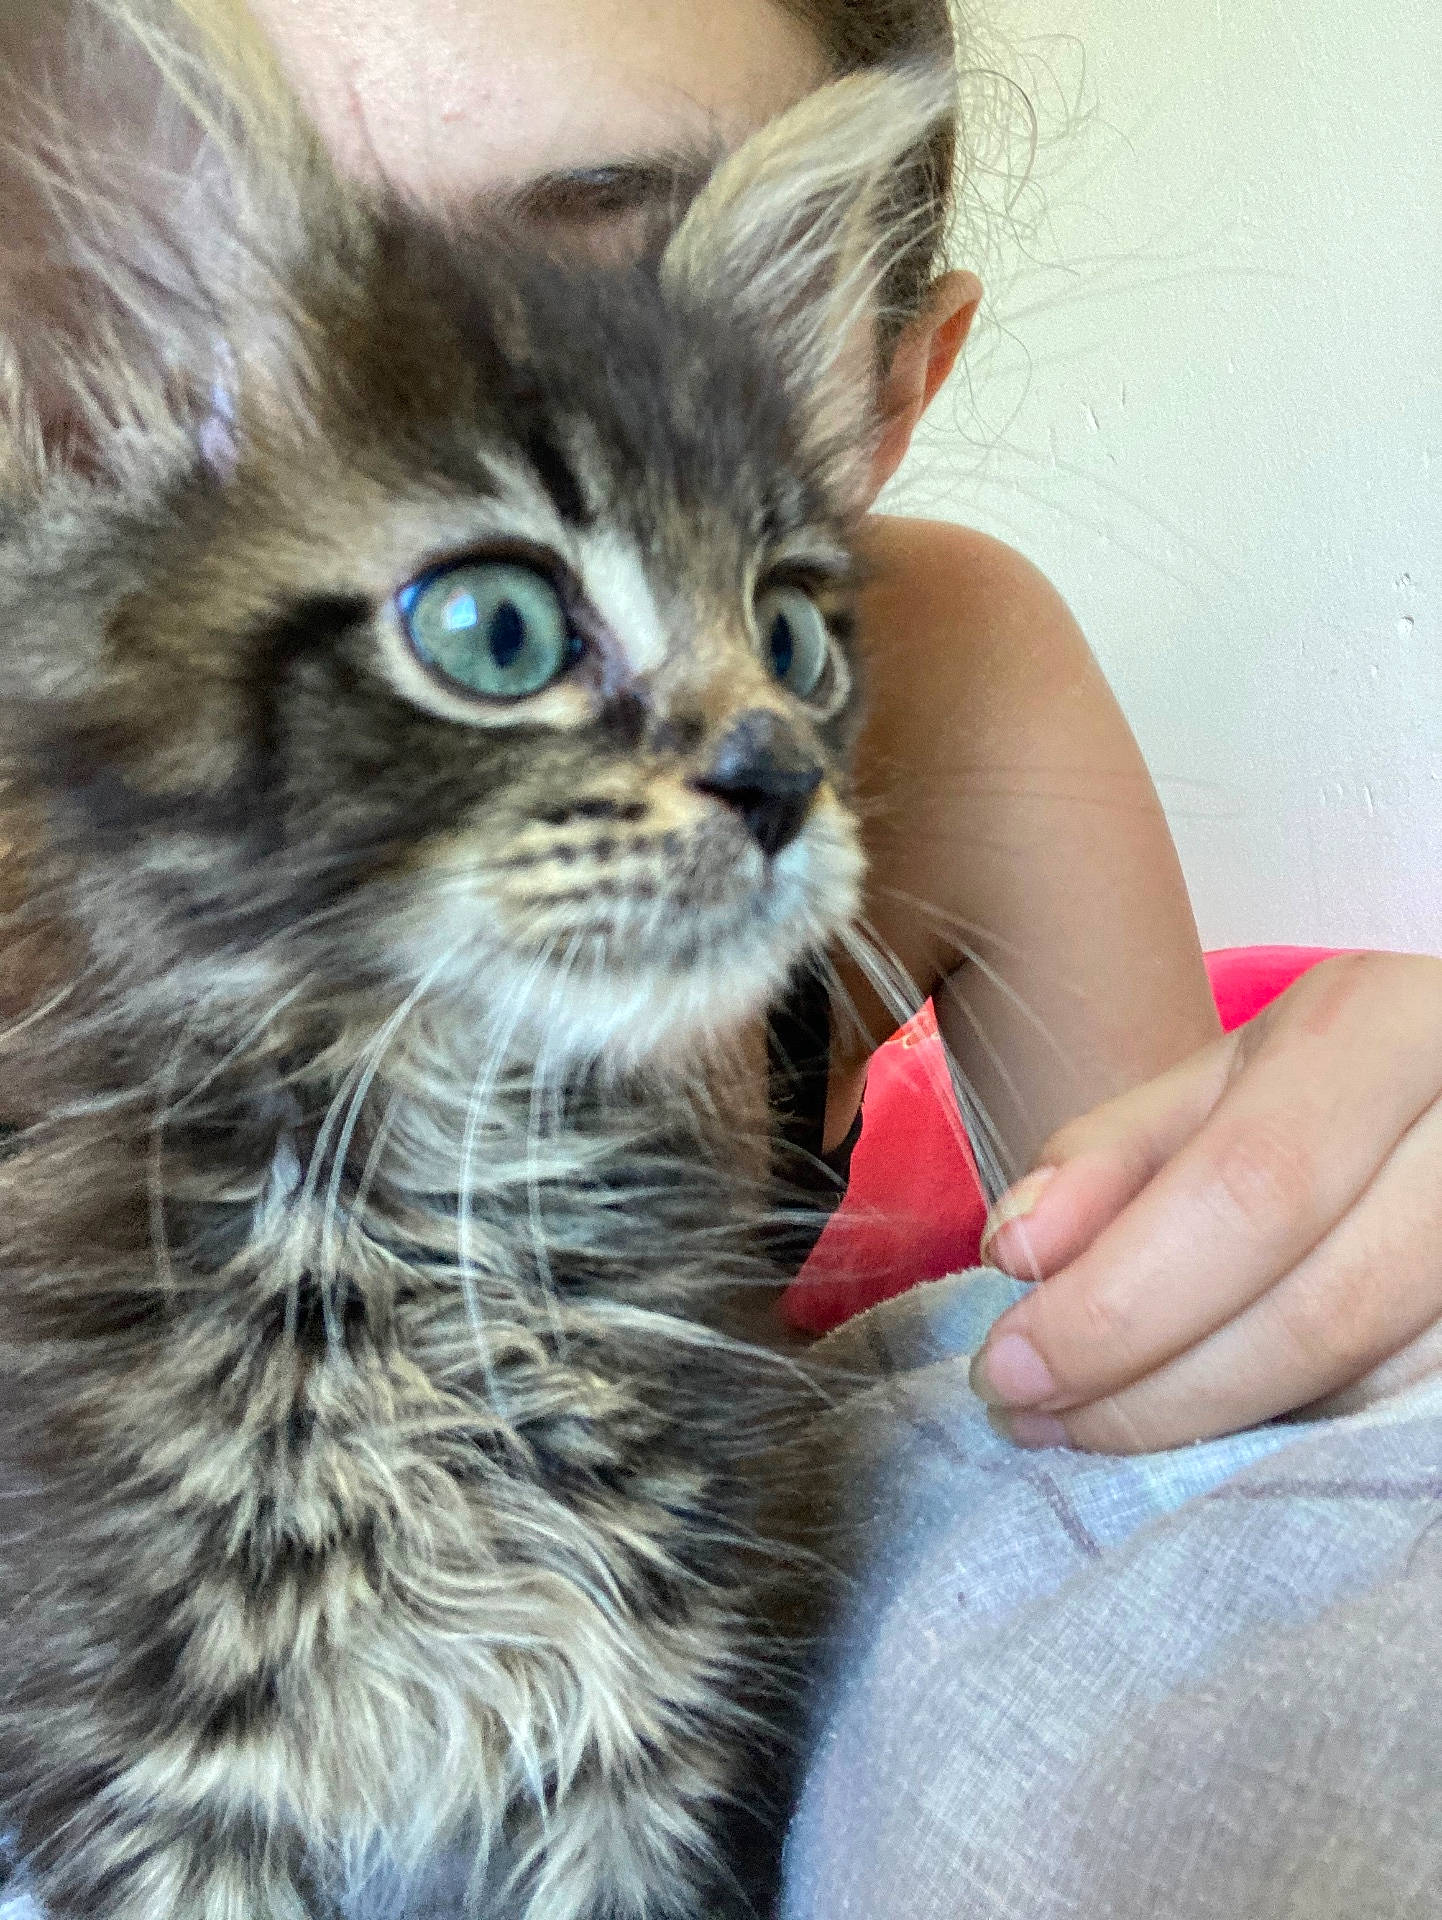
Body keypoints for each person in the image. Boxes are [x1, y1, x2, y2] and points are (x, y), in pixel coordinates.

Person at [8, 0, 1442, 1459]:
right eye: (319, 316)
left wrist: (1343, 1207)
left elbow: (1174, 1361)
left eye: (617, 286)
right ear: (76, 369)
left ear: (874, 393)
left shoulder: (951, 676)